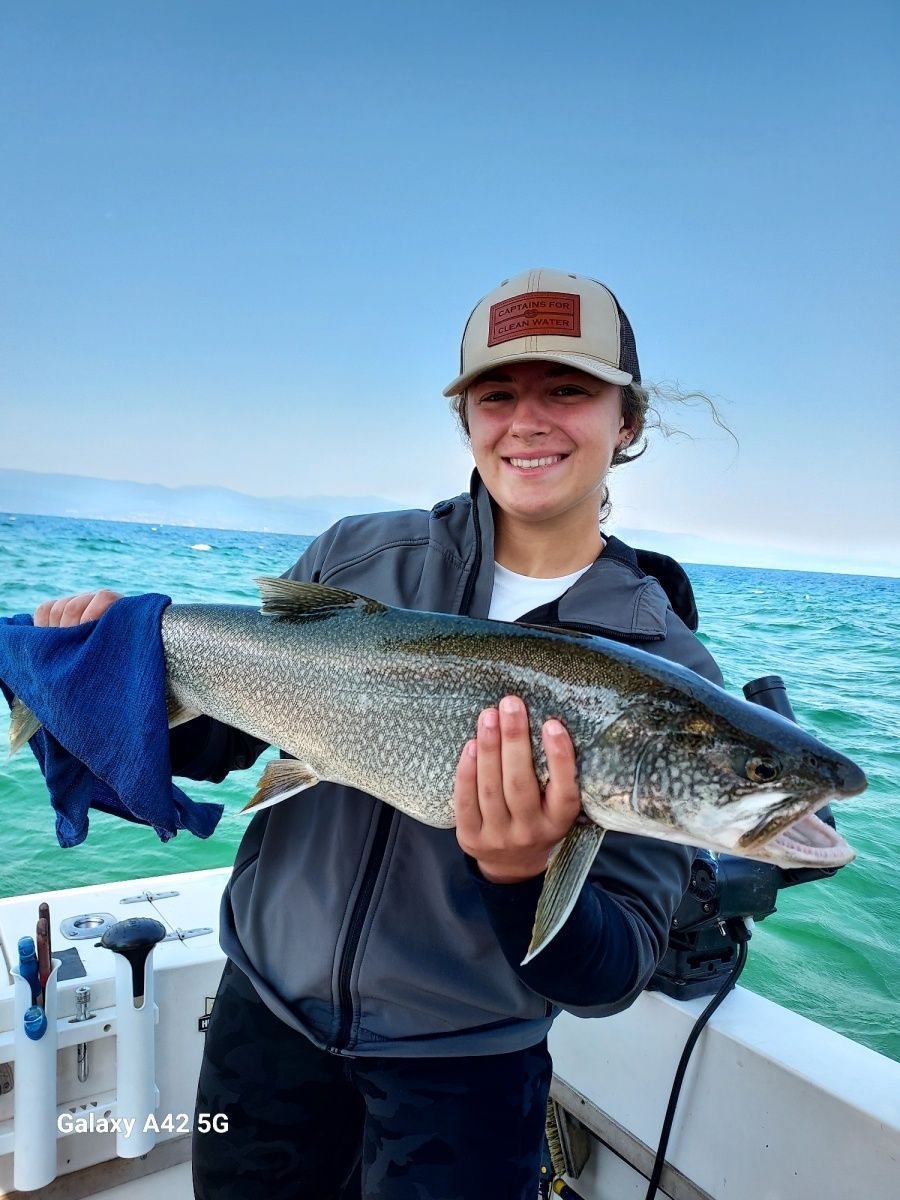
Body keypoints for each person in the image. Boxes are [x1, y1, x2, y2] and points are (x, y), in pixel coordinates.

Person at [36, 268, 724, 1199]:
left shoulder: (668, 670)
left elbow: (614, 970)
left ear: (627, 420)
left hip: (465, 1083)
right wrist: (111, 669)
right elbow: (223, 742)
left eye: (569, 390)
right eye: (497, 393)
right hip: (260, 1033)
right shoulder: (361, 555)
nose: (528, 421)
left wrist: (523, 879)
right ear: (467, 419)